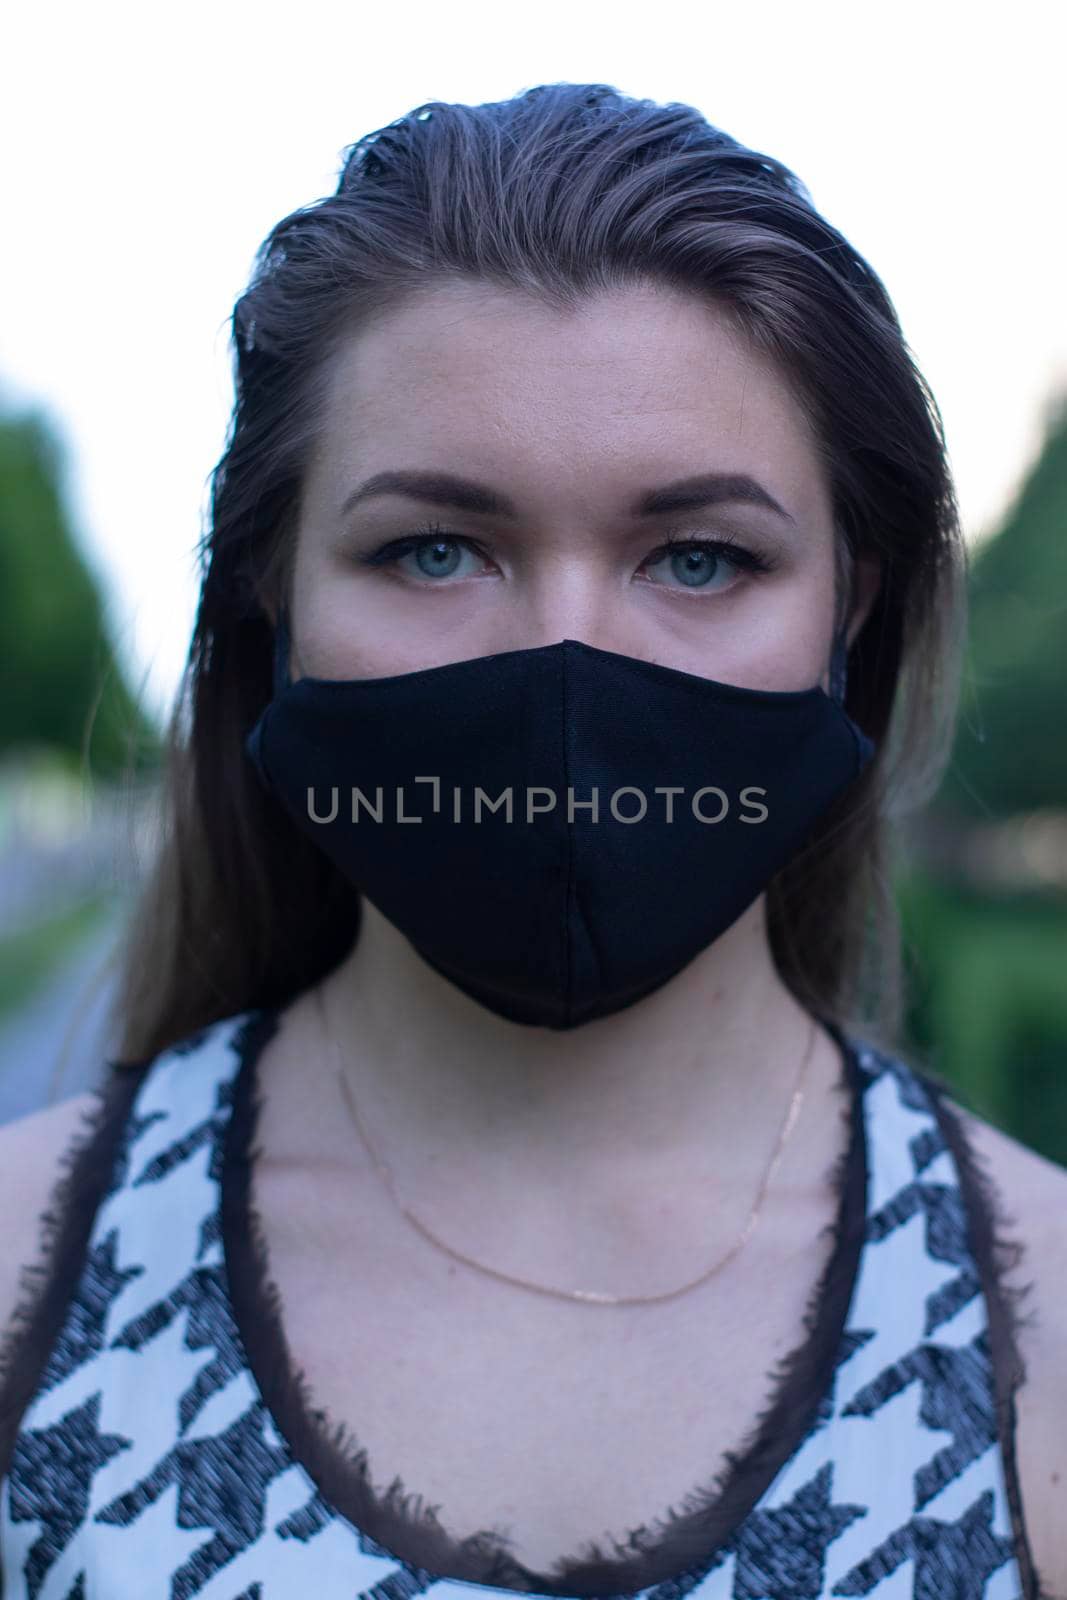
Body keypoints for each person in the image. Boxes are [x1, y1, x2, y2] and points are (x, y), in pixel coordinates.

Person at [0, 82, 1062, 1600]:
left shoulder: (1048, 1339)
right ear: (272, 597)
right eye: (434, 549)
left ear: (852, 610)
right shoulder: (24, 1280)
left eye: (700, 557)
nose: (567, 664)